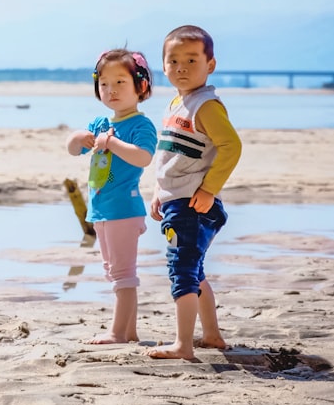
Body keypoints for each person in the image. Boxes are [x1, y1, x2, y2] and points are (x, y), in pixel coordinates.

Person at [147, 25, 243, 360]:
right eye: (173, 61)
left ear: (210, 65)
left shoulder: (205, 105)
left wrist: (208, 189)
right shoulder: (177, 103)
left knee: (182, 270)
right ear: (164, 66)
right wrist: (159, 192)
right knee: (195, 269)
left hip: (193, 205)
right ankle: (212, 336)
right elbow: (169, 157)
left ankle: (183, 345)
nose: (182, 67)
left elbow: (231, 146)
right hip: (177, 201)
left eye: (191, 59)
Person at [66, 48, 157, 344]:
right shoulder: (100, 124)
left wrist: (113, 143)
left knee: (123, 274)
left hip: (124, 209)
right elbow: (73, 148)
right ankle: (129, 332)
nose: (111, 90)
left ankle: (117, 332)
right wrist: (79, 137)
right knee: (112, 271)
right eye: (104, 84)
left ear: (140, 86)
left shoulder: (140, 125)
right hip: (101, 210)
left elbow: (143, 157)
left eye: (120, 82)